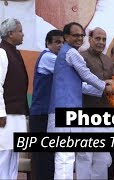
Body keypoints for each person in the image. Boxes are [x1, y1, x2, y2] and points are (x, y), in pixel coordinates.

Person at [47, 22, 114, 179]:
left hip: (66, 110)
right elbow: (86, 75)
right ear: (66, 36)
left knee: (66, 156)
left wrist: (103, 90)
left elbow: (80, 86)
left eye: (81, 35)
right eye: (75, 35)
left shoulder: (65, 53)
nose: (79, 38)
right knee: (66, 157)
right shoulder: (72, 53)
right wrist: (105, 86)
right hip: (65, 109)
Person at [75, 27, 114, 180]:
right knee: (85, 155)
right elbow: (78, 86)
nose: (101, 42)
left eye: (104, 39)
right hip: (85, 113)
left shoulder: (109, 61)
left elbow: (111, 87)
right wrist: (103, 87)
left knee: (103, 158)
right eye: (97, 38)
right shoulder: (80, 57)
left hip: (104, 115)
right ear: (89, 39)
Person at [29, 29, 64, 180]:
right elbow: (69, 73)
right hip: (41, 115)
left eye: (63, 42)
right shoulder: (49, 57)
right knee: (43, 159)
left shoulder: (52, 57)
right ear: (48, 43)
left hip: (45, 115)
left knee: (47, 158)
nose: (61, 46)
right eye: (57, 42)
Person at [0, 18, 28, 179]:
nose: (23, 34)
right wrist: (1, 113)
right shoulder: (2, 51)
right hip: (5, 114)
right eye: (20, 31)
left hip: (17, 113)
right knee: (3, 154)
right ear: (10, 34)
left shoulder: (15, 52)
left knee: (13, 154)